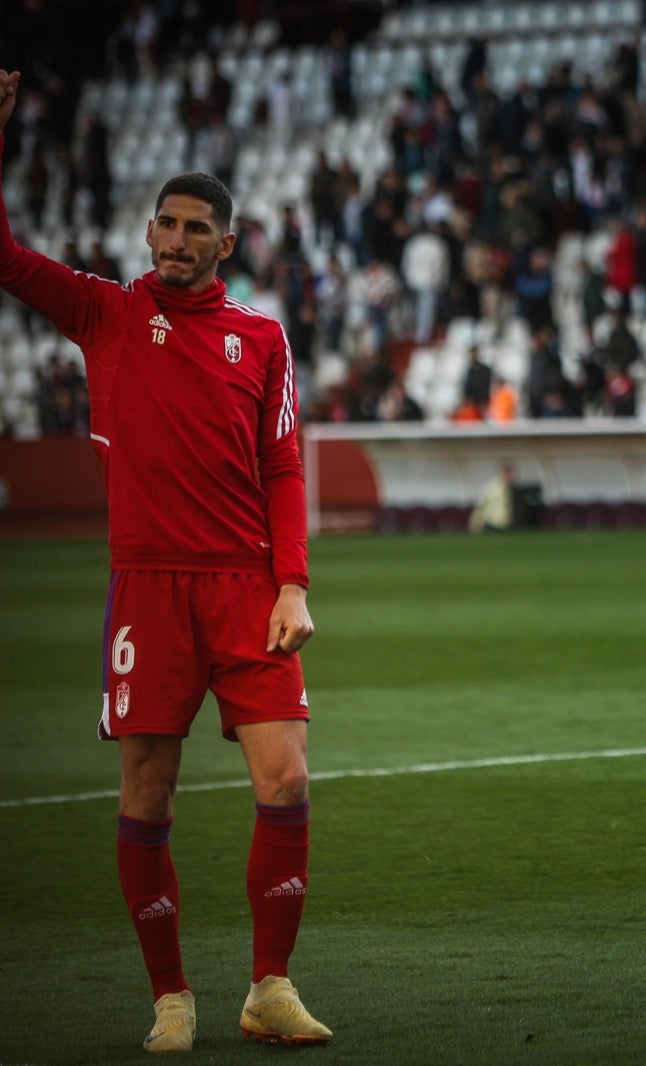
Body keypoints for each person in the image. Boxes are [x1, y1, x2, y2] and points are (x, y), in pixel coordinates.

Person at [0, 71, 333, 1053]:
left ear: (226, 243)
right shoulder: (104, 313)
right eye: (165, 224)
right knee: (147, 793)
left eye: (197, 228)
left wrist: (293, 581)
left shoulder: (260, 338)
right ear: (149, 232)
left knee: (287, 780)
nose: (176, 239)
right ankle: (172, 997)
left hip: (245, 588)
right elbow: (5, 257)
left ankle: (269, 986)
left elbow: (282, 465)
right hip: (147, 588)